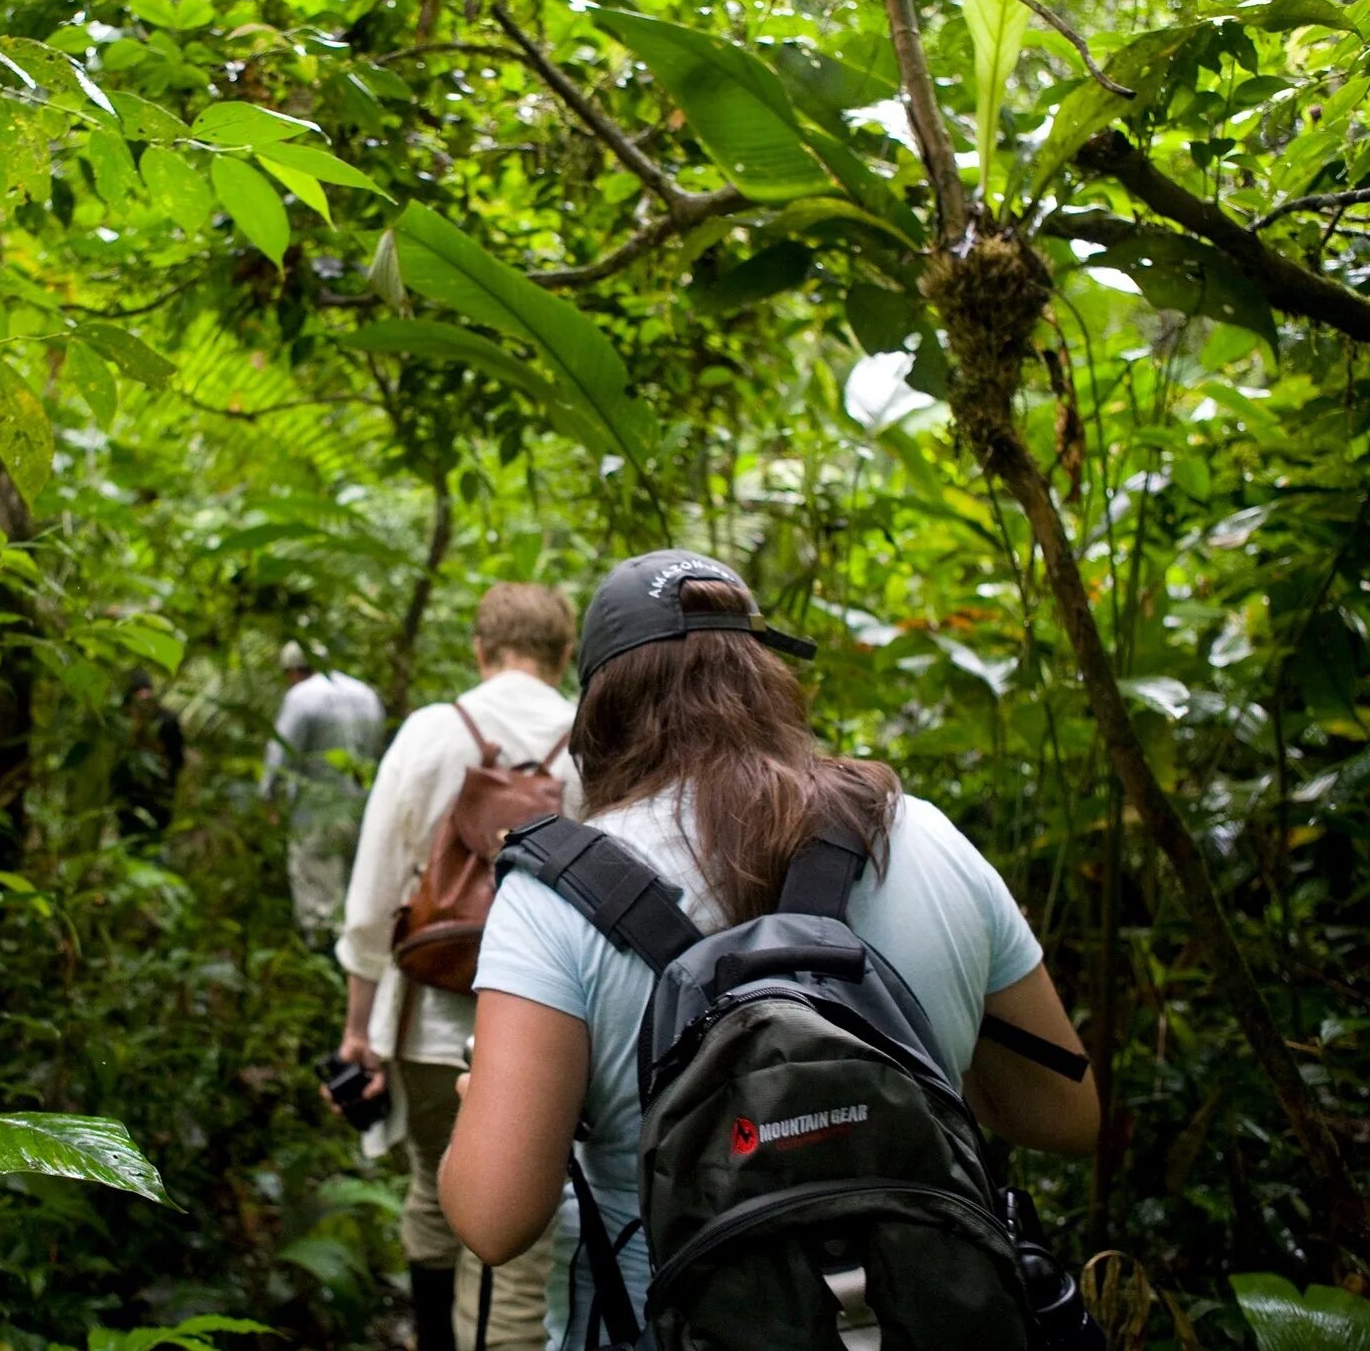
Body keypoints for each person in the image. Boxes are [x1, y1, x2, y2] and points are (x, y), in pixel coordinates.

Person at [440, 551, 1098, 1348]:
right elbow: (1066, 1111)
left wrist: (490, 1097)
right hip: (928, 1318)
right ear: (766, 675)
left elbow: (493, 1217)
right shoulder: (921, 835)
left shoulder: (553, 896)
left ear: (600, 710)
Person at [334, 584, 583, 1351]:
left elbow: (372, 894)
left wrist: (356, 1030)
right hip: (548, 1030)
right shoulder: (591, 739)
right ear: (564, 654)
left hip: (426, 1021)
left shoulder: (431, 732)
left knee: (433, 1191)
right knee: (520, 1239)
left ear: (479, 648)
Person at [261, 642, 385, 935]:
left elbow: (280, 752)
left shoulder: (301, 697)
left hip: (314, 813)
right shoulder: (365, 694)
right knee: (355, 888)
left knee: (318, 893)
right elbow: (375, 751)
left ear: (292, 671)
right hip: (362, 809)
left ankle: (323, 956)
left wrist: (268, 797)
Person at [108, 669, 185, 841]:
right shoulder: (122, 720)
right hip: (133, 798)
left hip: (155, 797)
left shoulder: (166, 719)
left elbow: (177, 759)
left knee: (151, 843)